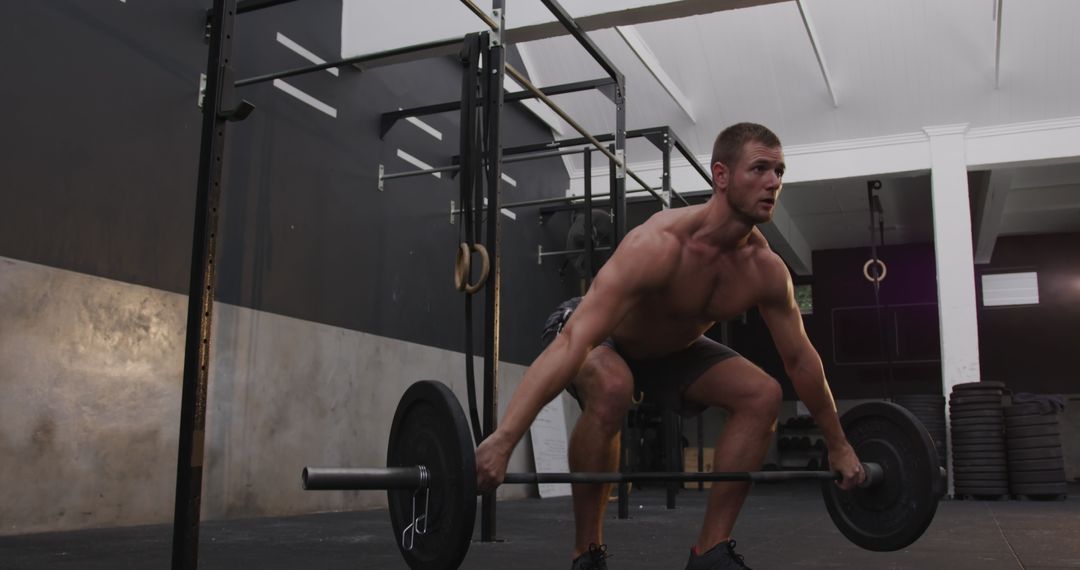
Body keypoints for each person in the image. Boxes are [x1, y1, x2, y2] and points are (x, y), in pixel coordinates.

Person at [475, 123, 865, 569]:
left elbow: (800, 360)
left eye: (779, 170)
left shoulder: (765, 271)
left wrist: (838, 443)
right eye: (759, 168)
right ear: (721, 175)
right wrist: (505, 439)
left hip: (672, 352)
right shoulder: (658, 245)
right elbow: (572, 342)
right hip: (599, 336)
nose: (774, 182)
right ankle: (588, 551)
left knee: (763, 395)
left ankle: (710, 551)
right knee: (614, 386)